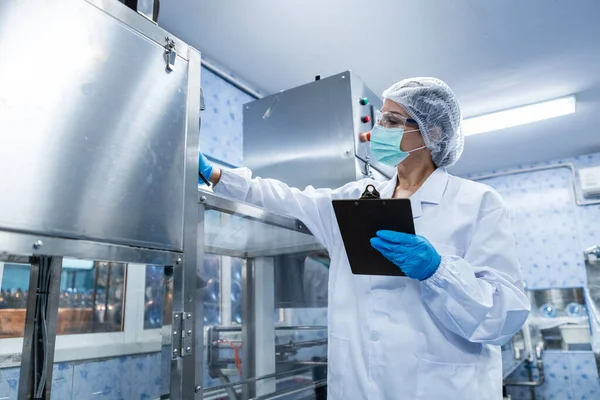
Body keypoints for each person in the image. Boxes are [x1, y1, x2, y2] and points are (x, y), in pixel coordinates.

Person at [199, 77, 530, 400]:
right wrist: (217, 175)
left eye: (391, 120)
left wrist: (438, 271)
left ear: (434, 132)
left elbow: (504, 316)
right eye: (381, 117)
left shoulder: (477, 202)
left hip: (441, 385)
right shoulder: (357, 198)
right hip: (359, 383)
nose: (377, 129)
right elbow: (290, 199)